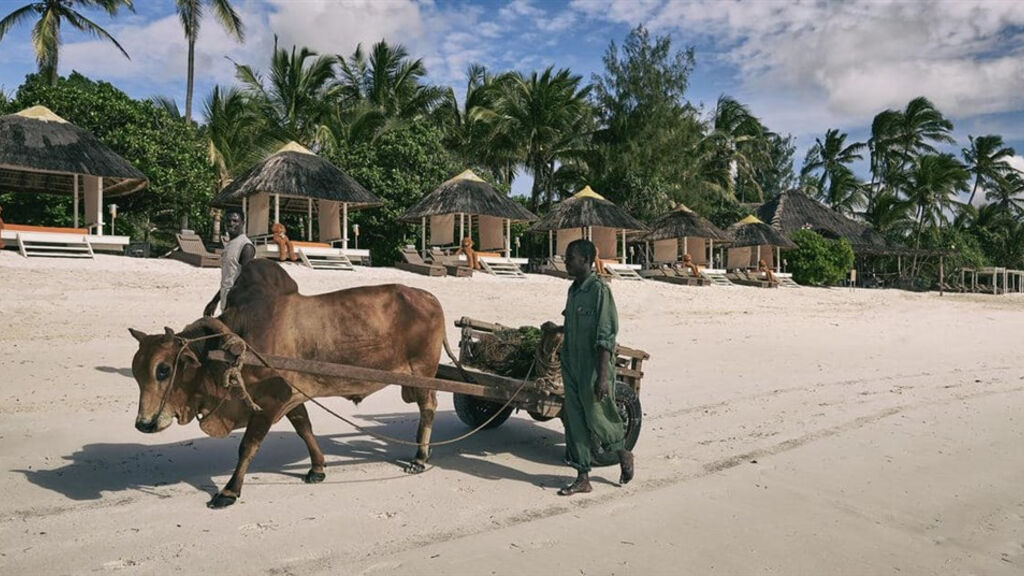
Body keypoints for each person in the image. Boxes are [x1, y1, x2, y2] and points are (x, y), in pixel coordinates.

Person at [541, 238, 634, 496]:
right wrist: (555, 329)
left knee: (597, 414)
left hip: (594, 365)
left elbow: (606, 335)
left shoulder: (600, 291)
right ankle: (582, 476)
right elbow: (572, 325)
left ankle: (622, 451)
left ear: (585, 260)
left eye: (570, 257)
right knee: (574, 418)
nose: (566, 261)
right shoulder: (573, 290)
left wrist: (602, 378)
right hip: (571, 362)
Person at [204, 208, 254, 317]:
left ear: (243, 223)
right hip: (225, 298)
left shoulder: (246, 246)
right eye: (228, 221)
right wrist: (215, 301)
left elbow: (246, 279)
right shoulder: (230, 245)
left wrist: (234, 304)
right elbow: (229, 278)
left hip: (237, 304)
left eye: (235, 221)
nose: (231, 224)